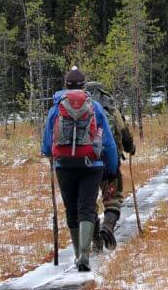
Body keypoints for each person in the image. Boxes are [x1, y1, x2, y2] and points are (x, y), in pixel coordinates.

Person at [41, 67, 119, 272]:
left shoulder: (56, 108)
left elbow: (47, 145)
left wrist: (54, 155)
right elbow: (109, 143)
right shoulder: (94, 107)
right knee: (87, 207)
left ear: (66, 86)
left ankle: (77, 254)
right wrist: (111, 170)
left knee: (72, 209)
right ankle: (85, 255)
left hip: (64, 166)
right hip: (92, 165)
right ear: (84, 86)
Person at [83, 81, 136, 250]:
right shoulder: (109, 105)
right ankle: (107, 227)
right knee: (112, 197)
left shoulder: (78, 107)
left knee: (88, 201)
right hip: (108, 159)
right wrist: (130, 148)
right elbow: (123, 130)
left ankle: (96, 241)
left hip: (85, 161)